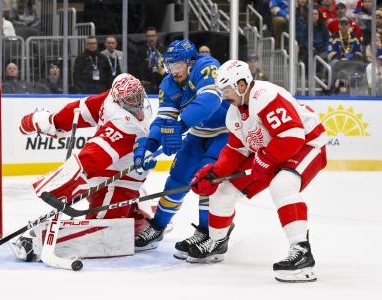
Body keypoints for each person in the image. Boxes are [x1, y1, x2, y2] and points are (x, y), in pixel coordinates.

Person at [188, 59, 327, 283]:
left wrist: (266, 159)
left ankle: (302, 252)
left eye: (226, 89)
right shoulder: (233, 114)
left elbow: (292, 137)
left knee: (282, 185)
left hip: (306, 144)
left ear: (242, 85)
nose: (223, 95)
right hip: (271, 150)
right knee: (223, 190)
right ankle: (217, 242)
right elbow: (236, 149)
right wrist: (214, 173)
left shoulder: (265, 96)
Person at [13, 73, 154, 261]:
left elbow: (91, 146)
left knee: (109, 232)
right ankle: (39, 240)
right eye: (130, 99)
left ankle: (134, 219)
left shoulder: (121, 112)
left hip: (123, 175)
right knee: (106, 227)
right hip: (110, 174)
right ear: (118, 99)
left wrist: (52, 121)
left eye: (138, 96)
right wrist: (52, 122)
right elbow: (85, 120)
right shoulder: (117, 111)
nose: (136, 102)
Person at [133, 40, 230, 258]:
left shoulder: (207, 66)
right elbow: (164, 120)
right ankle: (158, 227)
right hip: (197, 133)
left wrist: (180, 126)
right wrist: (150, 145)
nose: (173, 71)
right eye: (169, 66)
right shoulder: (169, 84)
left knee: (208, 180)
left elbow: (210, 101)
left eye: (177, 65)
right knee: (177, 178)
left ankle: (212, 235)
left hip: (226, 131)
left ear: (191, 62)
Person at [134, 26, 166, 94]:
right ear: (146, 37)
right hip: (146, 84)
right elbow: (136, 67)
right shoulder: (140, 51)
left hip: (161, 84)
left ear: (157, 37)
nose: (151, 38)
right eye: (149, 36)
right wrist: (140, 80)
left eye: (153, 36)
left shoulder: (162, 50)